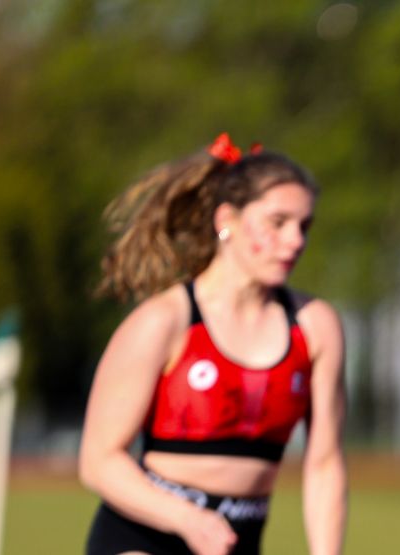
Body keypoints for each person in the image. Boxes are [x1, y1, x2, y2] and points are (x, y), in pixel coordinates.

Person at [79, 134, 347, 555]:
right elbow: (98, 461)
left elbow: (325, 463)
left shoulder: (316, 327)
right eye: (278, 222)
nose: (295, 240)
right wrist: (188, 519)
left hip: (236, 542)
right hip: (143, 536)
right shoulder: (164, 321)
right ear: (227, 220)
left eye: (304, 226)